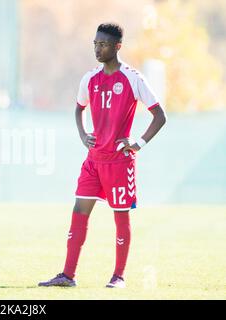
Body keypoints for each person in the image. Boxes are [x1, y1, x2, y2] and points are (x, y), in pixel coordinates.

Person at [38, 23, 167, 288]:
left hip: (119, 162)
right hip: (94, 161)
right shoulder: (90, 78)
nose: (98, 49)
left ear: (117, 47)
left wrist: (138, 143)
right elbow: (78, 109)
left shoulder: (133, 78)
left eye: (103, 44)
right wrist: (84, 135)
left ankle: (118, 276)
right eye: (95, 44)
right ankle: (67, 275)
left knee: (120, 217)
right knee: (78, 211)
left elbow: (160, 115)